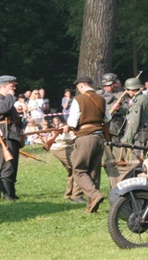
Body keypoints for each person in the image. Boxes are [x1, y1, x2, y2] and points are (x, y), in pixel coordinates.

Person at [64, 76, 108, 213]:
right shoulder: (102, 99)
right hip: (100, 137)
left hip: (85, 137)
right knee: (94, 172)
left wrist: (67, 127)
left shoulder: (79, 100)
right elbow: (107, 118)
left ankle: (95, 195)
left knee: (79, 171)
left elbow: (72, 122)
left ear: (81, 86)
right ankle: (91, 207)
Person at [0, 75, 23, 201]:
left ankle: (11, 193)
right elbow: (4, 109)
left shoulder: (6, 99)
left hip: (12, 134)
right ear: (4, 85)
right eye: (11, 85)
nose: (14, 87)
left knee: (13, 165)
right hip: (5, 135)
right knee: (7, 166)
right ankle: (7, 195)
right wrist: (10, 95)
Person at [46, 125, 85, 203]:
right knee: (79, 167)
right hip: (61, 147)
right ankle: (77, 195)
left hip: (63, 147)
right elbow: (69, 139)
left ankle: (69, 194)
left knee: (72, 170)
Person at [119, 77, 148, 161]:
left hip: (139, 134)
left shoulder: (139, 100)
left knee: (136, 162)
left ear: (131, 89)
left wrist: (126, 139)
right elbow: (131, 112)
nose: (127, 92)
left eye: (127, 90)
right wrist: (120, 109)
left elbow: (134, 122)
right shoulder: (141, 98)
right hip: (141, 133)